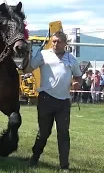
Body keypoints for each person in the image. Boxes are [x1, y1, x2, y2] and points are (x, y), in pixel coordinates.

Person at [28, 31, 82, 171]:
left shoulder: (72, 59)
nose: (55, 44)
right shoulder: (43, 54)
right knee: (44, 133)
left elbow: (78, 77)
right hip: (46, 99)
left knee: (63, 133)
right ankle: (35, 157)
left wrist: (77, 84)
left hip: (64, 102)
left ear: (65, 43)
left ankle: (64, 166)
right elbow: (29, 68)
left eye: (58, 41)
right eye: (53, 41)